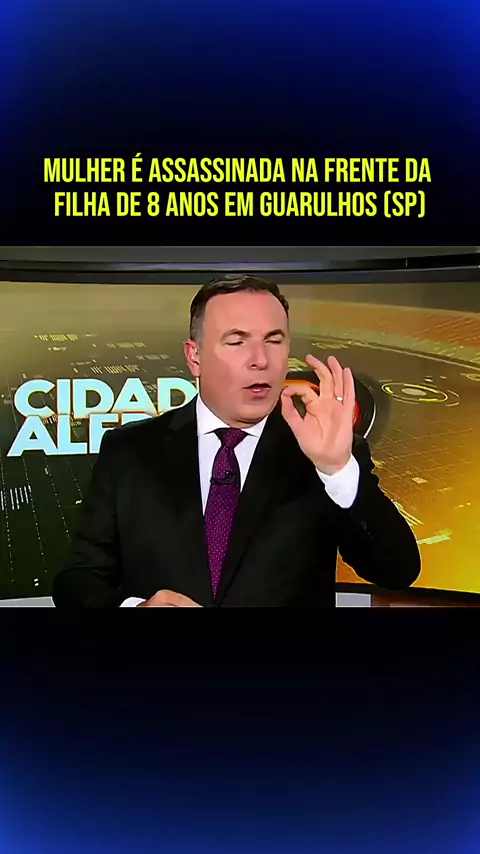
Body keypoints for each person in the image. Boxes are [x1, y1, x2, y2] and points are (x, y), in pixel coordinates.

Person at [52, 275, 421, 607]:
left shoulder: (326, 451)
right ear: (194, 356)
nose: (260, 360)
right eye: (237, 341)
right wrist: (136, 609)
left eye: (274, 341)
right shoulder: (130, 451)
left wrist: (337, 470)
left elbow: (397, 571)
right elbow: (78, 580)